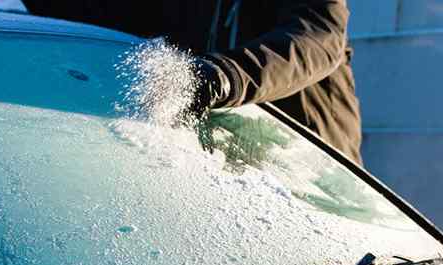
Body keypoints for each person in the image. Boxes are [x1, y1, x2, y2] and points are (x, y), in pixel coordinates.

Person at [22, 0, 362, 164]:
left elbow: (318, 38)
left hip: (315, 163)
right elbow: (109, 13)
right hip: (232, 164)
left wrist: (220, 76)